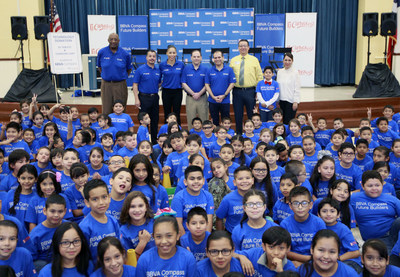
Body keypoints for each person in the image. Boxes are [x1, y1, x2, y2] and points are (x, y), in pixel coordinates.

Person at [230, 39, 263, 134]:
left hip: (250, 91)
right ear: (238, 48)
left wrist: (258, 92)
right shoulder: (233, 60)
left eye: (245, 46)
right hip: (237, 91)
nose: (243, 47)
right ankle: (239, 135)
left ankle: (252, 135)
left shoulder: (254, 60)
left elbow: (259, 76)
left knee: (251, 114)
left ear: (248, 47)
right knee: (238, 115)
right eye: (241, 46)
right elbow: (230, 77)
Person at [97, 33, 132, 115]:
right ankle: (107, 127)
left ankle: (121, 127)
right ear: (108, 40)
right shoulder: (101, 52)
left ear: (119, 41)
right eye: (111, 39)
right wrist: (107, 75)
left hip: (120, 85)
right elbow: (100, 67)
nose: (113, 41)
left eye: (115, 39)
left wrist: (119, 76)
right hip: (106, 85)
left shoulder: (125, 54)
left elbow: (129, 69)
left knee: (120, 109)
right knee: (106, 110)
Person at [133, 50, 162, 144]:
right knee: (144, 121)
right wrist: (136, 99)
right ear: (146, 57)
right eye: (150, 56)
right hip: (143, 98)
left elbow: (158, 84)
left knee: (154, 120)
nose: (152, 58)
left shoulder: (158, 70)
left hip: (155, 97)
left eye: (154, 56)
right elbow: (135, 85)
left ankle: (154, 142)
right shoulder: (140, 69)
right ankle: (143, 142)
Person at [205, 50, 236, 126]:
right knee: (214, 121)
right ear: (213, 59)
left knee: (225, 122)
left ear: (223, 58)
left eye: (219, 57)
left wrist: (224, 95)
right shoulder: (209, 70)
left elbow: (232, 83)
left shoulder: (229, 70)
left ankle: (225, 137)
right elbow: (207, 85)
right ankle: (215, 136)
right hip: (212, 101)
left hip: (225, 100)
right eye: (215, 58)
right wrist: (213, 97)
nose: (217, 59)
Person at [181, 49, 208, 129]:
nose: (196, 58)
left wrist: (199, 94)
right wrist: (193, 94)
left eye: (198, 56)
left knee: (204, 119)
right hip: (190, 98)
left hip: (202, 97)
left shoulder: (205, 69)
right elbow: (183, 83)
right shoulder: (186, 69)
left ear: (201, 58)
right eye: (194, 56)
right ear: (191, 58)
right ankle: (191, 138)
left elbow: (207, 84)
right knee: (191, 119)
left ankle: (204, 138)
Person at [160, 45, 185, 126]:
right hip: (166, 92)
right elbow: (158, 78)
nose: (172, 54)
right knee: (166, 113)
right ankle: (166, 132)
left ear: (176, 54)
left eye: (173, 52)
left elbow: (183, 79)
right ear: (167, 53)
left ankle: (178, 132)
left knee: (176, 113)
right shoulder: (162, 65)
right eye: (170, 52)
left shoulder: (181, 64)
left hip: (177, 92)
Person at [276, 53, 301, 125]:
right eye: (285, 60)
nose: (287, 62)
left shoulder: (295, 73)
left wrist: (295, 101)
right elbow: (278, 87)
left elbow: (297, 88)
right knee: (283, 122)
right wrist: (277, 100)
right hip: (281, 100)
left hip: (291, 101)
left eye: (289, 60)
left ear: (292, 61)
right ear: (283, 61)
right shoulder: (280, 72)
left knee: (289, 121)